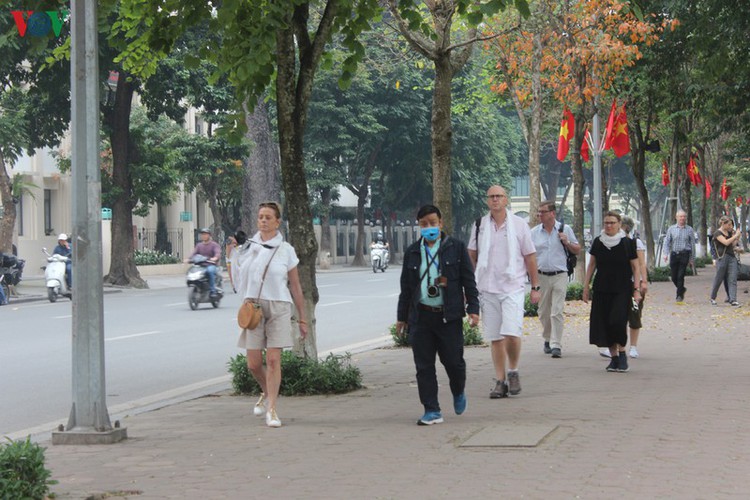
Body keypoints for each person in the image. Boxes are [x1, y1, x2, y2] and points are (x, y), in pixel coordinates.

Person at [396, 204, 479, 426]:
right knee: (424, 367)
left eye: (433, 223)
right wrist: (402, 317)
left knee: (454, 363)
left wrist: (473, 309)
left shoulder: (456, 248)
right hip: (421, 317)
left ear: (441, 223)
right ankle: (431, 410)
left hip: (448, 317)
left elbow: (468, 281)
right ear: (418, 226)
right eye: (424, 224)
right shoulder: (413, 252)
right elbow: (406, 288)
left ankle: (458, 390)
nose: (429, 227)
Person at [228, 202, 308, 428]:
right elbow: (236, 276)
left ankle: (272, 409)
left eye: (268, 217)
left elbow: (296, 286)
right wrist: (232, 251)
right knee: (253, 364)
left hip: (279, 306)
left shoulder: (286, 250)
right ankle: (266, 391)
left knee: (273, 360)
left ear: (277, 222)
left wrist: (302, 318)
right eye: (260, 217)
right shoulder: (248, 248)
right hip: (253, 306)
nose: (263, 220)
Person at [468, 185, 540, 398]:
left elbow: (530, 256)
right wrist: (469, 285)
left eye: (499, 196)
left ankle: (513, 370)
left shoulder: (519, 225)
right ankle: (500, 380)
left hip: (512, 287)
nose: (495, 200)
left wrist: (535, 286)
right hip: (487, 287)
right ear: (487, 200)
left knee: (512, 333)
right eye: (491, 197)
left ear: (506, 199)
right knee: (495, 338)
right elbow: (471, 254)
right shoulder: (479, 225)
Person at [583, 212, 642, 373]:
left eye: (612, 223)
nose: (608, 226)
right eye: (606, 223)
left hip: (622, 289)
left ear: (619, 224)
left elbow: (635, 268)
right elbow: (592, 266)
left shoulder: (627, 243)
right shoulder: (598, 242)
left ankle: (622, 353)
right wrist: (586, 286)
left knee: (617, 320)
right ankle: (614, 357)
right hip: (602, 288)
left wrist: (636, 289)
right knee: (605, 322)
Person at [530, 201, 580, 358]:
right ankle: (547, 338)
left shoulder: (565, 229)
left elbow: (577, 249)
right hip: (541, 276)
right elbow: (529, 255)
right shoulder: (534, 233)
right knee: (543, 312)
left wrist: (567, 241)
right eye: (538, 212)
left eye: (543, 212)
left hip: (560, 274)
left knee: (556, 311)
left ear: (552, 213)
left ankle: (556, 344)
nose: (540, 215)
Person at [622, 217, 648, 359]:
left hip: (634, 284)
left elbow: (641, 264)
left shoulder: (635, 243)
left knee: (634, 314)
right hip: (618, 285)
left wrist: (643, 282)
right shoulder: (611, 242)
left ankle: (633, 346)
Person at [663, 209, 695, 302]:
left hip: (684, 254)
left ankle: (679, 295)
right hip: (674, 254)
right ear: (676, 217)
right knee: (674, 277)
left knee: (680, 276)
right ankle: (681, 289)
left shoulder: (689, 229)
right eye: (680, 216)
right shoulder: (671, 229)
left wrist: (692, 259)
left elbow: (692, 245)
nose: (682, 218)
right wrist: (665, 254)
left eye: (684, 216)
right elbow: (667, 242)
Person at [709, 216, 742, 307]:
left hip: (732, 257)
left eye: (731, 224)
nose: (731, 226)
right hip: (722, 258)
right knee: (719, 278)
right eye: (729, 224)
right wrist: (735, 235)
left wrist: (737, 238)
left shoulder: (730, 233)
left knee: (732, 278)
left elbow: (731, 244)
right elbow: (725, 242)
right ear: (723, 224)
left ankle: (733, 299)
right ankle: (712, 297)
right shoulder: (717, 233)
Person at [185, 228, 221, 296]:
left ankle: (212, 291)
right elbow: (194, 253)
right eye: (202, 234)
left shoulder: (214, 245)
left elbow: (217, 253)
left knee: (210, 271)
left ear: (209, 235)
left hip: (210, 265)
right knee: (191, 271)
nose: (204, 236)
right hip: (200, 266)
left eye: (205, 234)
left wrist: (215, 258)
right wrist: (188, 259)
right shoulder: (199, 245)